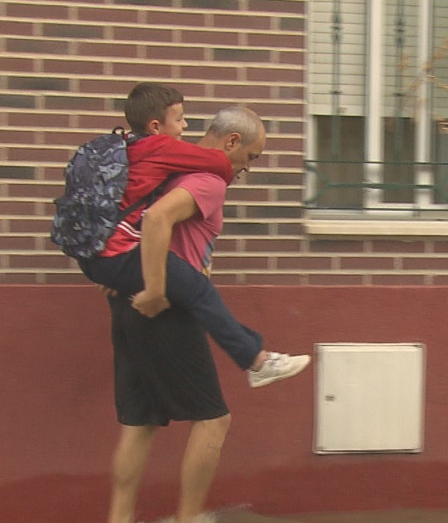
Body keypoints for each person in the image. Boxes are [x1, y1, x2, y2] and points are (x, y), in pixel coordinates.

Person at [100, 106, 288, 523]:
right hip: (164, 307)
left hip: (124, 300)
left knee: (140, 422)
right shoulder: (207, 180)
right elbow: (158, 219)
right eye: (251, 157)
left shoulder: (163, 169)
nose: (247, 169)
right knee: (213, 419)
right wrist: (158, 290)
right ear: (231, 142)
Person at [79, 82, 307, 387]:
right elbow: (162, 211)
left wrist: (114, 268)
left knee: (140, 407)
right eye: (251, 157)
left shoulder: (130, 151)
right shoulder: (166, 153)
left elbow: (134, 209)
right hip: (147, 286)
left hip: (107, 262)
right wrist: (154, 291)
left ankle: (257, 359)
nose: (185, 126)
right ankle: (257, 361)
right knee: (200, 292)